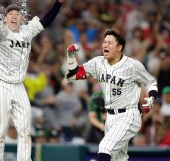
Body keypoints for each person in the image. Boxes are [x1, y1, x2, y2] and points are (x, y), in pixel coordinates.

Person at [0, 0, 72, 161]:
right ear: (6, 18)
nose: (15, 16)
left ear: (22, 18)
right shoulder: (1, 31)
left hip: (18, 85)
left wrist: (58, 3)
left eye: (17, 14)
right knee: (0, 130)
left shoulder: (27, 30)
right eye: (11, 14)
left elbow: (46, 21)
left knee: (25, 130)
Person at [66, 29, 158, 161]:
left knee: (105, 147)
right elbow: (74, 74)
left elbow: (151, 82)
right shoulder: (98, 62)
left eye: (110, 43)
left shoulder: (132, 65)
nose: (105, 45)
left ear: (119, 47)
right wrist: (70, 56)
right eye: (104, 42)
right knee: (118, 158)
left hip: (128, 116)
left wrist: (151, 98)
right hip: (110, 117)